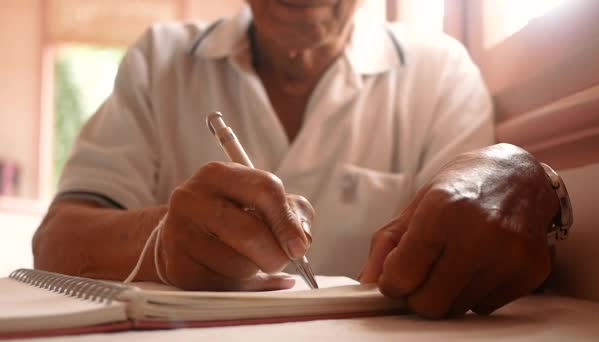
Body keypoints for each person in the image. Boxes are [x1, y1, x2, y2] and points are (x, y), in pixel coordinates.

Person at [33, 0, 560, 318]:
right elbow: (56, 241)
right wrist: (161, 245)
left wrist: (531, 181)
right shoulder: (160, 62)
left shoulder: (441, 74)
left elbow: (473, 232)